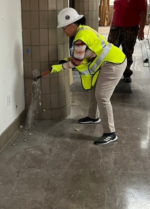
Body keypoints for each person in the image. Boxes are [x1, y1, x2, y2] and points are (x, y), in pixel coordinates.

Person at [50, 8, 126, 145]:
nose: (64, 31)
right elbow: (87, 53)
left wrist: (60, 67)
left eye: (64, 28)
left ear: (72, 25)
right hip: (108, 61)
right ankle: (93, 117)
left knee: (102, 96)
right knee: (94, 88)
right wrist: (68, 59)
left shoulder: (80, 38)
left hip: (114, 64)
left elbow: (77, 62)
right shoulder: (84, 29)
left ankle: (110, 133)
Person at [108, 0, 148, 83]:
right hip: (115, 28)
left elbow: (144, 12)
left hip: (130, 28)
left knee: (127, 51)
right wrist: (112, 25)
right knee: (111, 50)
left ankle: (126, 73)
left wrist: (141, 30)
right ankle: (112, 72)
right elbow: (116, 11)